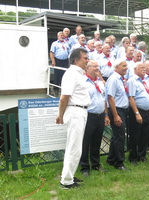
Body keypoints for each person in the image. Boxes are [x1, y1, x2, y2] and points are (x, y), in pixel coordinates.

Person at [56, 48, 90, 189]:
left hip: (80, 111)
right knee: (74, 147)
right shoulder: (71, 74)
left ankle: (69, 175)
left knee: (75, 146)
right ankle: (66, 181)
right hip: (75, 111)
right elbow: (64, 97)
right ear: (76, 60)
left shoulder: (78, 74)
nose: (87, 60)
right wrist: (60, 115)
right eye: (85, 58)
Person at [80, 60, 110, 177]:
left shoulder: (100, 82)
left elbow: (104, 99)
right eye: (95, 67)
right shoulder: (83, 82)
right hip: (89, 115)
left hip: (100, 115)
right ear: (87, 68)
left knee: (97, 141)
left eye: (98, 66)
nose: (98, 68)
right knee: (85, 142)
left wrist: (106, 115)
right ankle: (84, 167)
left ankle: (96, 164)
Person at [105, 59, 129, 170]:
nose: (126, 68)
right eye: (124, 66)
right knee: (120, 137)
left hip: (121, 110)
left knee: (116, 136)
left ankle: (111, 159)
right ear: (117, 67)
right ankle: (119, 163)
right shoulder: (114, 79)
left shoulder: (120, 79)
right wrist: (115, 116)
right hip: (117, 110)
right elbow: (110, 98)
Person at [127, 62, 149, 164]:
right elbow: (131, 98)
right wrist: (137, 113)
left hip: (146, 111)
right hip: (137, 110)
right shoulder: (132, 81)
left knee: (144, 134)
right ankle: (133, 157)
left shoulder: (145, 81)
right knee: (135, 134)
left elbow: (148, 95)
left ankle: (142, 155)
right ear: (135, 69)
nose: (144, 69)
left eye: (144, 67)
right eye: (141, 68)